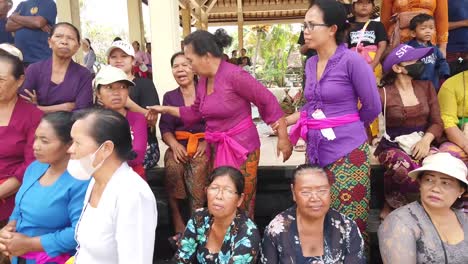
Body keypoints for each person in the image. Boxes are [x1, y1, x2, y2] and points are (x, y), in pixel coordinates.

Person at [148, 29, 293, 219]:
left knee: (240, 199)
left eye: (190, 61)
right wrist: (165, 109)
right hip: (216, 147)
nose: (189, 67)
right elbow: (194, 112)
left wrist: (283, 137)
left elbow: (267, 101)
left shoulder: (235, 76)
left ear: (207, 56)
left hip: (241, 149)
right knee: (220, 201)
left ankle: (244, 243)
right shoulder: (203, 81)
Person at [284, 0, 381, 236]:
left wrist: (346, 125)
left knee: (349, 221)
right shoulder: (311, 63)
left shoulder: (353, 61)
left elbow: (372, 106)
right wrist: (285, 120)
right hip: (315, 148)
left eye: (311, 25)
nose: (305, 31)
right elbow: (313, 104)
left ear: (332, 29)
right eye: (304, 25)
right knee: (317, 217)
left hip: (348, 150)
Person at [69, 108, 157, 264]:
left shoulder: (132, 194)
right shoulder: (95, 181)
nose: (70, 149)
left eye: (77, 143)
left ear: (106, 148)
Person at [0, 112, 88, 264]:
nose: (35, 146)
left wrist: (30, 244)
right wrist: (9, 229)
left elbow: (78, 232)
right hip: (19, 257)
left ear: (69, 144)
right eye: (36, 138)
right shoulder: (34, 168)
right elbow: (19, 207)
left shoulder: (81, 180)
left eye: (44, 141)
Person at [375, 44, 444, 219]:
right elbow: (370, 122)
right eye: (413, 60)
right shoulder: (382, 93)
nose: (419, 63)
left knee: (439, 166)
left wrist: (426, 141)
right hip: (392, 145)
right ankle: (401, 207)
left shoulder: (427, 87)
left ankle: (423, 209)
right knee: (402, 165)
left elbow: (437, 122)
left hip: (422, 141)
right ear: (397, 68)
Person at [261, 165, 365, 263]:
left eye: (322, 191)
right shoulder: (277, 230)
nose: (315, 198)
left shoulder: (346, 227)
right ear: (293, 192)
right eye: (306, 192)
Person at [378, 152, 468, 264]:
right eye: (429, 180)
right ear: (420, 184)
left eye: (445, 183)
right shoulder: (400, 221)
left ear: (461, 190)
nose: (435, 189)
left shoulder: (464, 219)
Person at [160, 52, 208, 243]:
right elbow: (165, 127)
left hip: (204, 144)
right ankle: (177, 219)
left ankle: (196, 224)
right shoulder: (170, 96)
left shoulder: (206, 93)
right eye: (176, 66)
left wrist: (207, 143)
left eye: (185, 65)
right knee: (173, 165)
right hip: (178, 143)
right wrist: (173, 145)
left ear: (194, 69)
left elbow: (217, 122)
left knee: (198, 168)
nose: (180, 69)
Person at [0, 52, 43, 256]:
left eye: (1, 80)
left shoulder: (33, 116)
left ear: (20, 81)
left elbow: (32, 164)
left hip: (15, 199)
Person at [174, 166, 261, 263]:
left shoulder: (248, 234)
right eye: (214, 188)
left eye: (228, 191)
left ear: (239, 199)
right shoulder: (199, 217)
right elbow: (181, 259)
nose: (219, 196)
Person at [107, 40, 160, 169]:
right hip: (110, 142)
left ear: (132, 60)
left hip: (143, 143)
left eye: (124, 56)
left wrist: (128, 103)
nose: (118, 60)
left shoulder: (144, 84)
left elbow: (152, 121)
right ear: (108, 61)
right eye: (114, 57)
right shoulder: (102, 86)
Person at [18, 22, 93, 113]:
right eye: (58, 36)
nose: (64, 42)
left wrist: (37, 108)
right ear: (49, 42)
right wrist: (64, 107)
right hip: (36, 126)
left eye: (70, 38)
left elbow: (82, 111)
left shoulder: (83, 74)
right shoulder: (34, 70)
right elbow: (23, 106)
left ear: (77, 47)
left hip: (72, 126)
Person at [94, 65, 148, 179]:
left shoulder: (137, 119)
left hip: (132, 178)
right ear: (98, 93)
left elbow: (137, 155)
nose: (117, 93)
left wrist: (105, 157)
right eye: (109, 87)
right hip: (101, 178)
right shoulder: (93, 121)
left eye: (123, 87)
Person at [438, 68, 468, 213]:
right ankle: (459, 207)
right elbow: (447, 121)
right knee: (448, 156)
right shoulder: (451, 85)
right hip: (460, 136)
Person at [381, 0, 449, 57]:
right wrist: (384, 45)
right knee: (400, 70)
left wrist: (443, 47)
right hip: (399, 40)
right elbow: (385, 21)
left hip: (427, 40)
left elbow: (441, 19)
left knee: (427, 69)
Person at [406, 14, 450, 91]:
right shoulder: (408, 48)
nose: (428, 31)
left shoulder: (434, 49)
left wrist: (444, 73)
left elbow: (441, 61)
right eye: (423, 28)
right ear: (413, 33)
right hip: (414, 86)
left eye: (431, 28)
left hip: (432, 85)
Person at [5, 0, 57, 65]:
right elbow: (8, 26)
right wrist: (31, 22)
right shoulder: (22, 4)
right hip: (21, 59)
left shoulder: (49, 3)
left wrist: (15, 17)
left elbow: (38, 23)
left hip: (40, 57)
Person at [348, 0, 387, 77]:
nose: (364, 5)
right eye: (360, 2)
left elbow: (382, 46)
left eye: (368, 2)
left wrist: (373, 64)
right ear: (353, 6)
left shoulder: (378, 25)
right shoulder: (347, 26)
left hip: (373, 62)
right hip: (352, 63)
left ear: (373, 7)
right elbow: (344, 46)